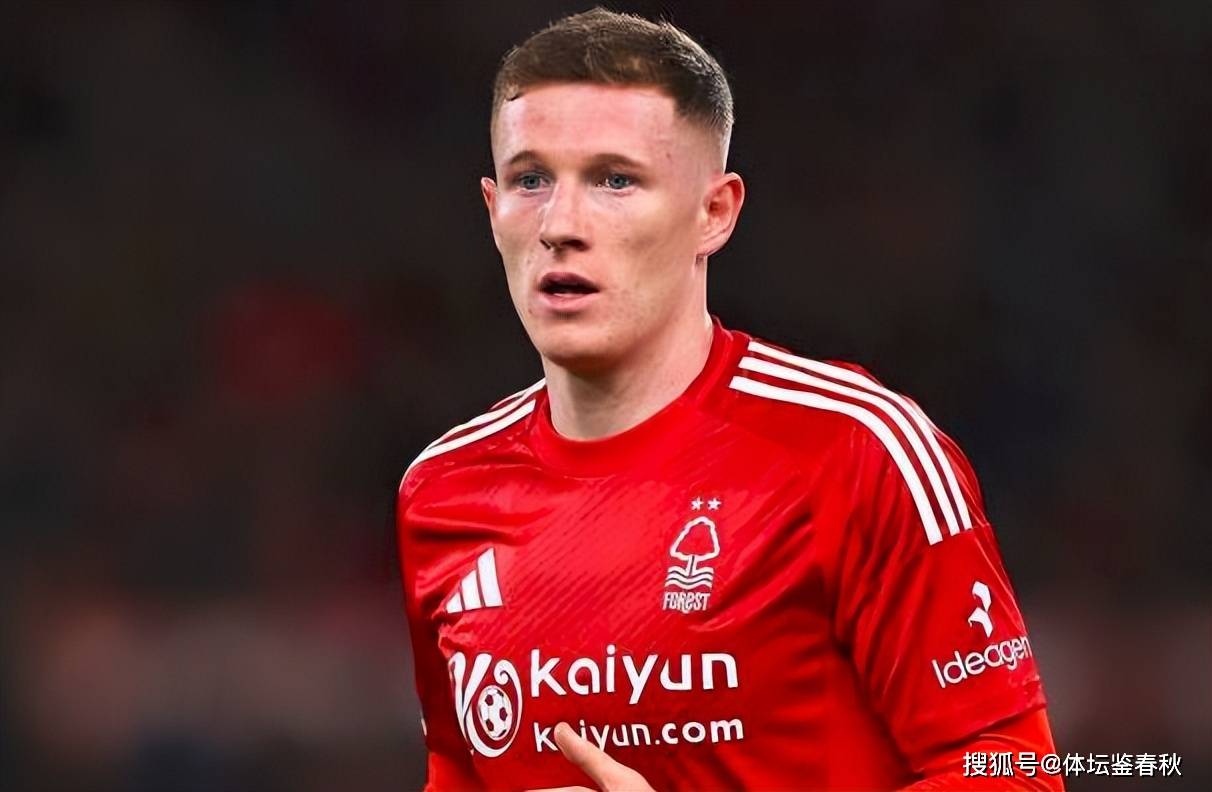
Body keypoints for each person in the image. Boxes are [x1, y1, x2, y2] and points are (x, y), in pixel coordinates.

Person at [397, 8, 1061, 791]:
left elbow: (1014, 771)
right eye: (530, 180)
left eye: (615, 179)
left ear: (714, 213)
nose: (560, 225)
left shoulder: (854, 448)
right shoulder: (441, 492)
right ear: (491, 208)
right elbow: (456, 773)